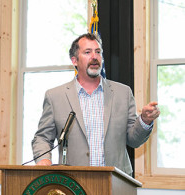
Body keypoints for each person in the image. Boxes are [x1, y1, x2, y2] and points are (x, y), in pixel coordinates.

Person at [32, 33, 160, 176]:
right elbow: (42, 137)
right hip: (73, 182)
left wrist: (144, 120)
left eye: (98, 52)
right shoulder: (55, 96)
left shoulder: (123, 93)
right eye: (87, 52)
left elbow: (134, 140)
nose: (94, 56)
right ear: (74, 60)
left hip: (116, 184)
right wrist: (43, 159)